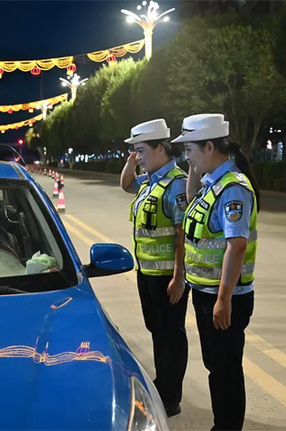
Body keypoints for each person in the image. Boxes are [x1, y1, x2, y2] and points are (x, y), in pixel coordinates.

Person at [171, 113, 259, 431]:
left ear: (209, 147)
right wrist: (195, 167)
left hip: (225, 297)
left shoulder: (233, 188)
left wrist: (223, 300)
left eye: (190, 150)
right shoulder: (214, 184)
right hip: (207, 292)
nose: (186, 157)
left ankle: (227, 426)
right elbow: (192, 201)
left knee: (225, 370)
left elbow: (237, 246)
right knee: (216, 367)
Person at [120, 119, 189, 418]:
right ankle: (163, 385)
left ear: (160, 148)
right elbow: (126, 184)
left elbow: (181, 235)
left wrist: (179, 277)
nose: (138, 157)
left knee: (171, 335)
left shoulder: (176, 183)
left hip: (167, 277)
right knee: (157, 332)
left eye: (142, 151)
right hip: (147, 272)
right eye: (136, 151)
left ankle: (171, 396)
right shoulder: (150, 181)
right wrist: (131, 161)